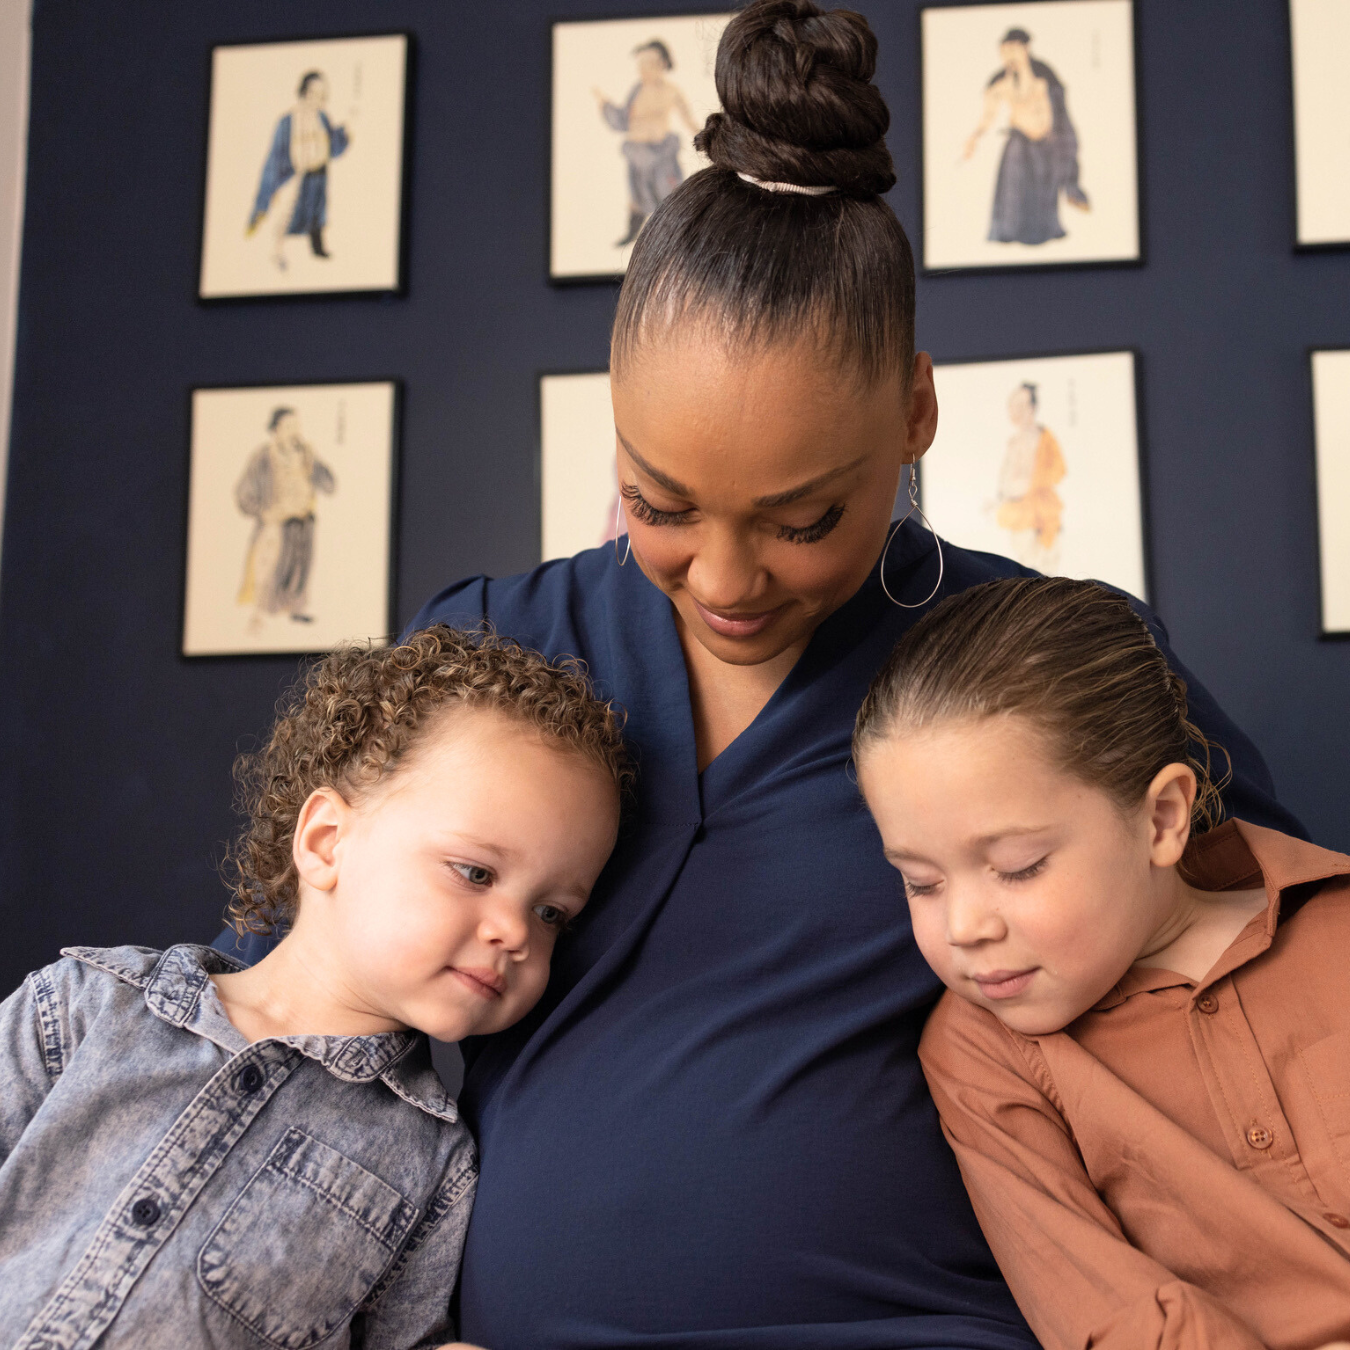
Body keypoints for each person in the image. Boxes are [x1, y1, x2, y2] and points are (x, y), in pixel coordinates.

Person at [226, 3, 1304, 1345]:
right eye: (659, 503)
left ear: (914, 414)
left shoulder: (1049, 663)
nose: (726, 580)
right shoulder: (498, 645)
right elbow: (275, 1019)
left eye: (803, 520)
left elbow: (1274, 990)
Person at [0, 627, 625, 1347]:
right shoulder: (83, 1004)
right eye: (476, 873)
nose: (516, 932)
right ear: (327, 842)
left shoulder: (432, 1162)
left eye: (551, 913)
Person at [853, 576, 1350, 1349]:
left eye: (1018, 867)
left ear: (1161, 818)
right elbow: (1113, 1320)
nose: (964, 928)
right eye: (920, 882)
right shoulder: (982, 1054)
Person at [963, 29, 1089, 246]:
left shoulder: (1044, 73)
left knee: (1043, 192)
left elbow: (1059, 110)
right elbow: (988, 116)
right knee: (1015, 194)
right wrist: (974, 137)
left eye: (1014, 49)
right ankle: (1011, 232)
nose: (1009, 55)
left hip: (1046, 143)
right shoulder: (999, 81)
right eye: (1004, 51)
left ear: (1025, 48)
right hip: (1019, 143)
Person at [235, 406, 336, 626]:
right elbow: (244, 494)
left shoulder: (306, 455)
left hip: (303, 523)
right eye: (288, 426)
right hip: (276, 525)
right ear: (276, 429)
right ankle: (262, 618)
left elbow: (329, 485)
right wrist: (263, 512)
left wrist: (314, 461)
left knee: (300, 568)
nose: (294, 431)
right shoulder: (263, 457)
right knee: (271, 572)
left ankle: (296, 610)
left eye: (296, 426)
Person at [593, 39, 698, 246]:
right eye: (641, 64)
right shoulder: (636, 90)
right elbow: (622, 121)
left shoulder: (671, 91)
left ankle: (679, 241)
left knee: (668, 197)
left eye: (650, 63)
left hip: (661, 157)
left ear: (663, 64)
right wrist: (604, 104)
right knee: (637, 199)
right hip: (637, 154)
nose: (644, 69)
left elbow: (689, 120)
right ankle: (633, 235)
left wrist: (707, 137)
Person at [247, 70, 351, 269]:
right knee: (286, 216)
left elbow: (332, 148)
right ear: (304, 92)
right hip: (298, 177)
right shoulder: (288, 121)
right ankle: (276, 255)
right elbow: (275, 158)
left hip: (319, 175)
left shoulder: (322, 117)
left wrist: (345, 133)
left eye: (322, 95)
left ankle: (317, 250)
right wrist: (266, 195)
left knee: (318, 215)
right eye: (314, 93)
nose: (318, 99)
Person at [992, 382, 1065, 571]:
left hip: (1040, 514)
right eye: (1013, 405)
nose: (1016, 411)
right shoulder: (1014, 441)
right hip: (1017, 515)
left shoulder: (1044, 438)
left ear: (1032, 407)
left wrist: (1030, 485)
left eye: (1021, 405)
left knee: (1043, 570)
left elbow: (1058, 471)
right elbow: (1005, 479)